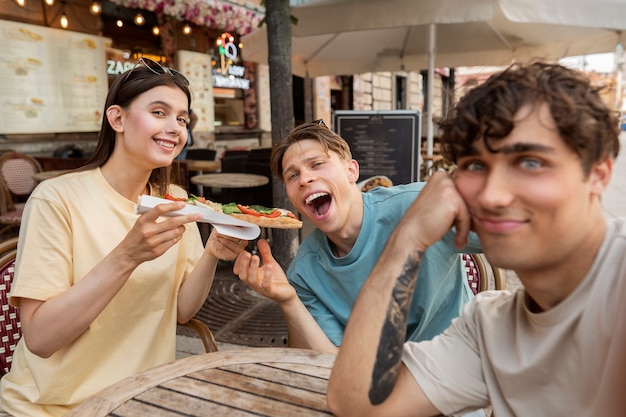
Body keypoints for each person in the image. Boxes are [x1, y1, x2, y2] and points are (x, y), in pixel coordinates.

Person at [327, 62, 623, 417]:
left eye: (530, 162)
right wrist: (406, 238)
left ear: (597, 174)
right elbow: (358, 404)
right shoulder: (491, 330)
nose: (492, 196)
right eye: (476, 166)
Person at [0, 58, 247, 417]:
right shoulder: (58, 199)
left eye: (181, 118)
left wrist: (212, 252)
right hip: (51, 408)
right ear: (117, 119)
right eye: (159, 112)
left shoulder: (175, 200)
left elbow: (181, 311)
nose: (175, 128)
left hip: (140, 399)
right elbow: (39, 339)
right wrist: (128, 255)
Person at [233, 121, 481, 354]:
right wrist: (288, 300)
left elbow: (516, 237)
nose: (305, 179)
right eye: (292, 175)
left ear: (351, 171)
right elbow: (332, 361)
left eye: (317, 164)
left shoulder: (421, 205)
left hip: (456, 365)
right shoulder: (304, 273)